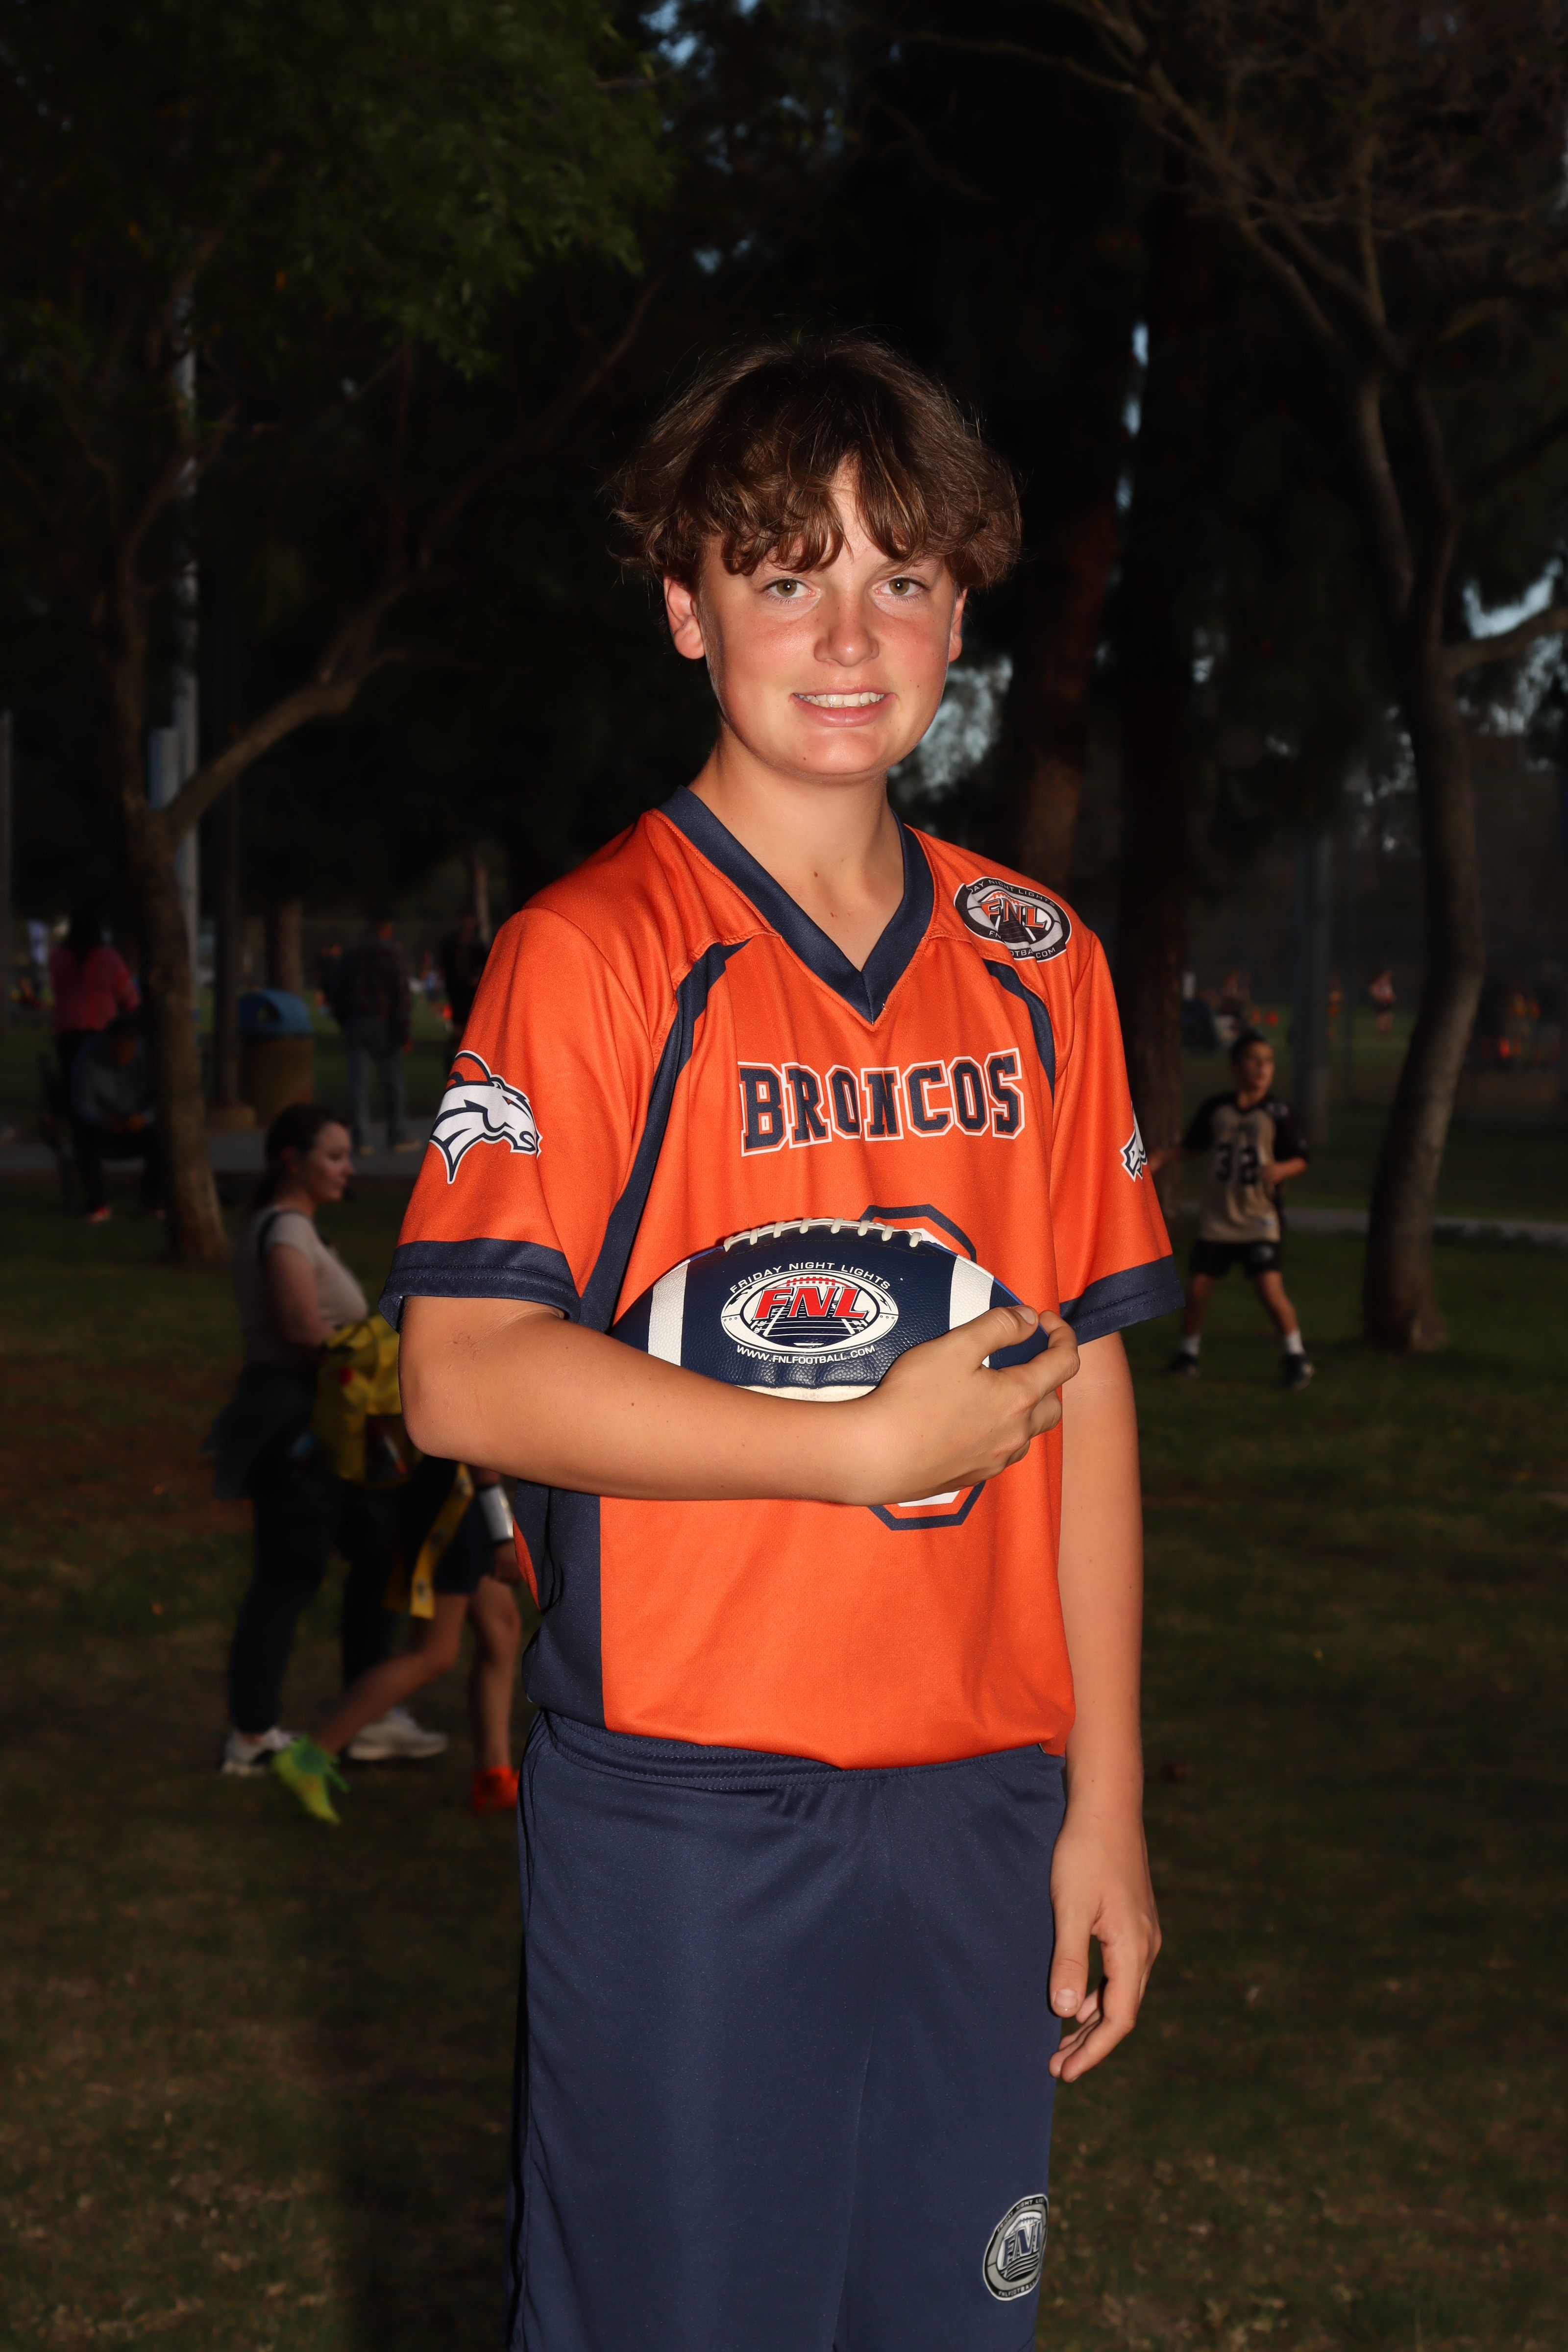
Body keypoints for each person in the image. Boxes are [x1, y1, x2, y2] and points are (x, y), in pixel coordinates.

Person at [386, 337, 1182, 2351]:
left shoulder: (1040, 966)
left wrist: (1100, 1803)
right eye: (782, 575)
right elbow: (463, 1377)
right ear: (685, 605)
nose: (847, 636)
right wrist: (845, 1448)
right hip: (688, 1808)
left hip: (983, 1801)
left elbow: (1083, 1385)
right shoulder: (592, 953)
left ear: (960, 614)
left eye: (900, 578)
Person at [216, 1103, 446, 1776]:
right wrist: (375, 1355)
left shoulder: (294, 1227)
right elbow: (297, 1326)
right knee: (288, 1574)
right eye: (335, 1156)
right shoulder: (286, 1228)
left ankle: (367, 1712)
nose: (348, 1169)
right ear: (293, 1160)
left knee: (375, 1558)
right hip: (299, 1428)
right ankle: (252, 1736)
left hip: (323, 1426)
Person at [271, 1453, 525, 1825]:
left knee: (502, 1627)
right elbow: (479, 1448)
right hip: (452, 1501)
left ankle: (494, 1778)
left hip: (455, 1495)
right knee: (433, 1653)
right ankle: (309, 1757)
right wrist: (501, 1529)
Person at [1150, 1029, 1313, 1389]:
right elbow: (1195, 1145)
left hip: (1259, 1218)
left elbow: (1301, 1157)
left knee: (1269, 1289)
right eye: (1254, 1060)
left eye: (1268, 1062)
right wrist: (1164, 1157)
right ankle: (1188, 1356)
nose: (1262, 1068)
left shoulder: (1277, 1111)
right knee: (1198, 1289)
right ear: (1235, 1066)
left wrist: (1281, 1170)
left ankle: (1296, 1357)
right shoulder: (1218, 1108)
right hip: (1219, 1219)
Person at [329, 914, 414, 1152]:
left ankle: (361, 1138)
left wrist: (345, 1021)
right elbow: (401, 994)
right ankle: (397, 1134)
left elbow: (338, 991)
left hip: (357, 1021)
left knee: (359, 1084)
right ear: (388, 928)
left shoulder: (351, 954)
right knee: (393, 1083)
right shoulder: (393, 954)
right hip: (384, 1023)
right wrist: (404, 1030)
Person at [70, 1013, 164, 1223]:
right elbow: (84, 1104)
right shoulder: (88, 1058)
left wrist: (144, 1118)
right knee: (83, 1137)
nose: (122, 1058)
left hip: (140, 1123)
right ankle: (97, 1204)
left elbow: (162, 1099)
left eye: (127, 1052)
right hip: (104, 1125)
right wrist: (103, 1121)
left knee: (162, 1137)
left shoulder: (149, 1056)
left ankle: (153, 1201)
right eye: (116, 1052)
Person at [50, 908, 138, 1079]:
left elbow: (57, 987)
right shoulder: (108, 958)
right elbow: (129, 997)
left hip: (66, 1028)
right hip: (102, 1029)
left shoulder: (58, 957)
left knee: (72, 1079)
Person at [439, 910, 490, 1036]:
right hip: (456, 988)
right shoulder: (452, 945)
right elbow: (445, 965)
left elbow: (486, 965)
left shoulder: (478, 946)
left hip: (472, 989)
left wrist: (477, 979)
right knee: (458, 1019)